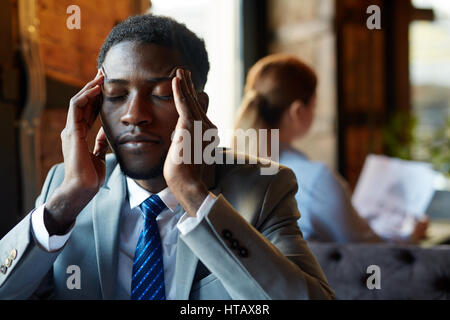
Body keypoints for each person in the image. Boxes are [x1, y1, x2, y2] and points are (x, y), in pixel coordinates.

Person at [0, 15, 334, 300]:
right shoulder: (66, 188)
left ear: (197, 107)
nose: (133, 115)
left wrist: (192, 193)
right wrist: (63, 205)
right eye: (115, 95)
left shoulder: (262, 189)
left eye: (160, 95)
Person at [234, 53, 428, 244]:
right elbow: (366, 247)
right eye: (314, 105)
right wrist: (409, 236)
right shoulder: (314, 179)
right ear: (298, 111)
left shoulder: (235, 171)